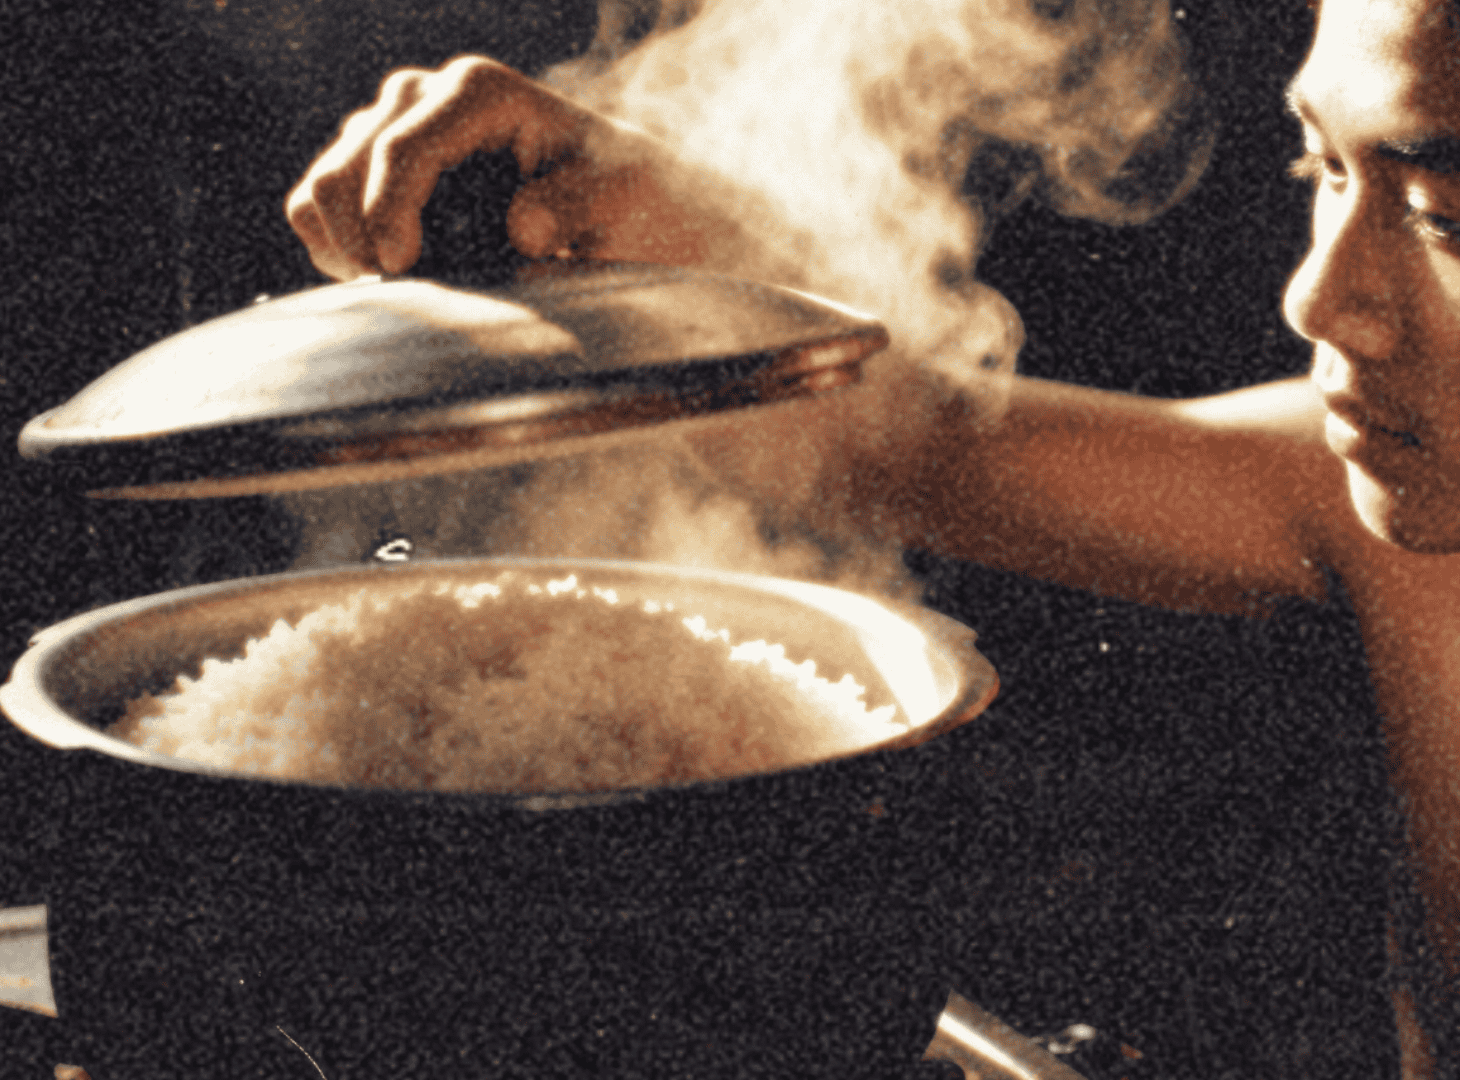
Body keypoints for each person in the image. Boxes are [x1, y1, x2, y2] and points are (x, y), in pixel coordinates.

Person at [285, 0, 1460, 1072]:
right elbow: (877, 444)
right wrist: (632, 218)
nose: (1316, 298)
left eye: (1439, 217)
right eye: (1319, 165)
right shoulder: (1365, 504)